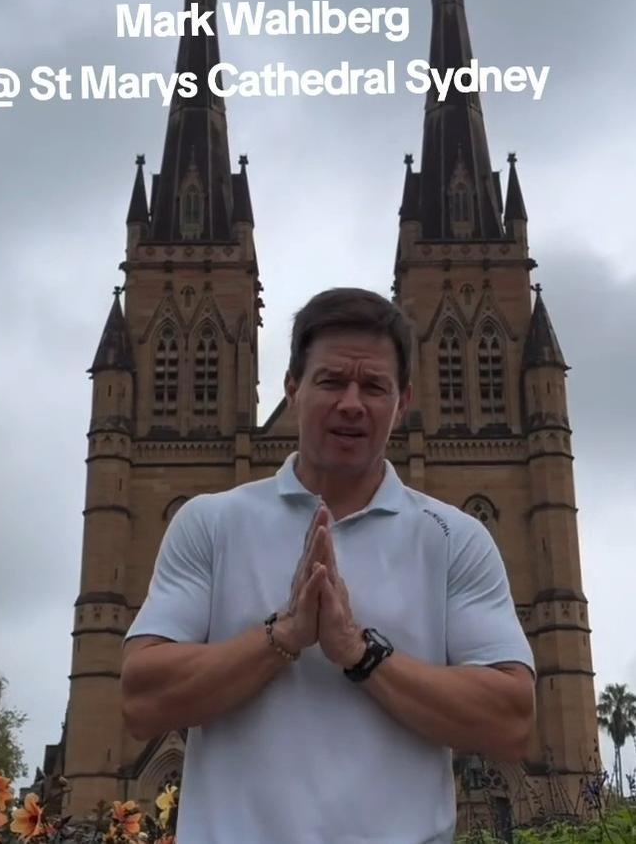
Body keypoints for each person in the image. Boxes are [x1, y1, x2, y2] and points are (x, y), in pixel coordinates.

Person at [121, 287, 536, 844]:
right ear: (292, 389)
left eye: (373, 386)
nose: (351, 402)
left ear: (403, 400)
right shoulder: (210, 523)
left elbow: (510, 719)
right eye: (331, 380)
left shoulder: (456, 538)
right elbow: (141, 699)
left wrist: (360, 654)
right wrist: (284, 636)